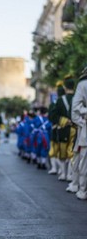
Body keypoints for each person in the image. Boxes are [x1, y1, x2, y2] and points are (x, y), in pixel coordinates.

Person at [67, 68, 87, 199]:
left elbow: (74, 111)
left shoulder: (83, 84)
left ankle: (83, 190)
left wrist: (83, 123)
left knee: (84, 161)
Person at [52, 75, 76, 181]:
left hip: (63, 130)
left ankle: (63, 174)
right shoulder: (78, 98)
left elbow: (53, 116)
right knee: (72, 153)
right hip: (76, 129)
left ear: (65, 87)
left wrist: (64, 121)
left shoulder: (60, 100)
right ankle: (70, 175)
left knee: (62, 152)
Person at [48, 81, 65, 175]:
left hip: (55, 130)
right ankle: (65, 172)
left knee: (54, 151)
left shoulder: (54, 103)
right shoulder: (72, 100)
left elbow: (51, 117)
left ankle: (56, 169)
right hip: (69, 129)